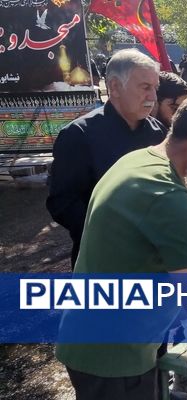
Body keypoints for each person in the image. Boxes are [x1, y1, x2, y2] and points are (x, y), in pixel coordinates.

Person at [55, 91, 187, 400]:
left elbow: (138, 243)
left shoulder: (139, 160)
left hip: (89, 336)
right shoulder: (168, 194)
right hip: (115, 357)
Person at [47, 48, 166, 268]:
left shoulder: (157, 133)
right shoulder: (79, 135)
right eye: (145, 87)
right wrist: (112, 233)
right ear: (114, 87)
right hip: (102, 259)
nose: (153, 97)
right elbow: (62, 202)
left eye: (155, 88)